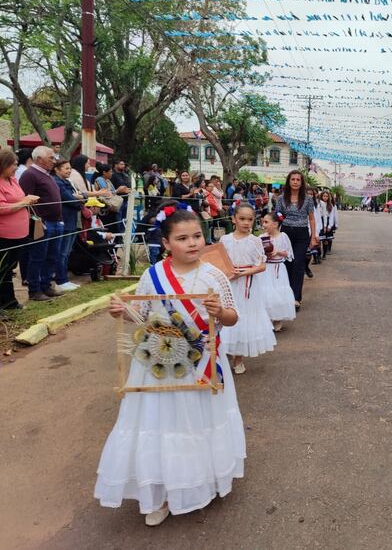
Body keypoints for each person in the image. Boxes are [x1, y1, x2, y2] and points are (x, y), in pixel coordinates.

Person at [98, 206, 243, 526]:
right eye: (182, 238)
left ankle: (205, 478)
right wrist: (120, 311)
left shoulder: (214, 274)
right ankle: (162, 493)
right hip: (159, 363)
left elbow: (232, 318)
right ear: (165, 243)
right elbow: (142, 316)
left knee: (198, 422)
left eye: (197, 236)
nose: (192, 243)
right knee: (164, 425)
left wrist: (219, 311)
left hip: (202, 361)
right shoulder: (153, 276)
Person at [219, 203, 276, 374]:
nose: (246, 223)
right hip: (228, 284)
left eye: (250, 219)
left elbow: (261, 265)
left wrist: (244, 272)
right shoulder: (225, 240)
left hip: (247, 286)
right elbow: (219, 261)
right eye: (242, 219)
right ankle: (224, 352)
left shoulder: (255, 241)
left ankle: (238, 358)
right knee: (224, 315)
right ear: (233, 219)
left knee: (243, 318)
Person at [19, 146, 65, 302]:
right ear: (39, 159)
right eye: (51, 158)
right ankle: (34, 290)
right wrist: (37, 222)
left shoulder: (47, 175)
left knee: (52, 256)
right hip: (43, 223)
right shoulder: (29, 175)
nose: (54, 160)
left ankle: (46, 285)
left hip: (56, 221)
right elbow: (26, 202)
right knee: (38, 257)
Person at [0, 148, 39, 310]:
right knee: (2, 269)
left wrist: (27, 200)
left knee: (10, 269)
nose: (16, 167)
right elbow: (1, 208)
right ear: (3, 164)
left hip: (19, 235)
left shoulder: (13, 180)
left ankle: (9, 301)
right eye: (13, 165)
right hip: (5, 236)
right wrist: (24, 202)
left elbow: (19, 198)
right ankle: (5, 302)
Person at [274, 170, 318, 309]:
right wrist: (273, 235)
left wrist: (313, 237)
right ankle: (285, 296)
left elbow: (311, 218)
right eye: (292, 179)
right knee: (287, 264)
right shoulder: (281, 198)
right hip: (286, 233)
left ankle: (296, 298)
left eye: (298, 180)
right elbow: (277, 217)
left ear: (301, 182)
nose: (295, 182)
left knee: (298, 264)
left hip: (302, 234)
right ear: (289, 181)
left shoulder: (308, 199)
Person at [52, 159, 85, 292]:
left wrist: (79, 198)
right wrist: (78, 199)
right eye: (66, 168)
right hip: (65, 220)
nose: (69, 170)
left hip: (72, 220)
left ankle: (64, 279)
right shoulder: (57, 182)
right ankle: (61, 280)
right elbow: (70, 199)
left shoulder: (67, 181)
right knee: (62, 252)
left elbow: (80, 197)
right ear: (57, 169)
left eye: (70, 168)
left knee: (67, 252)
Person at [259, 212, 296, 332]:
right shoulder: (261, 237)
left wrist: (278, 252)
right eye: (263, 222)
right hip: (266, 269)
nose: (263, 224)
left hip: (278, 269)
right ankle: (268, 318)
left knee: (278, 292)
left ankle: (278, 318)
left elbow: (288, 253)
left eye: (266, 222)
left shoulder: (283, 236)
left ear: (275, 224)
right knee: (266, 293)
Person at [318, 190, 337, 260]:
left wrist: (330, 226)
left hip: (328, 222)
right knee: (319, 240)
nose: (325, 197)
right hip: (320, 221)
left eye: (327, 196)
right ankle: (318, 255)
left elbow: (332, 216)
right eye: (324, 196)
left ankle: (324, 255)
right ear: (321, 196)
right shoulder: (318, 204)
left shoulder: (330, 205)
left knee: (325, 240)